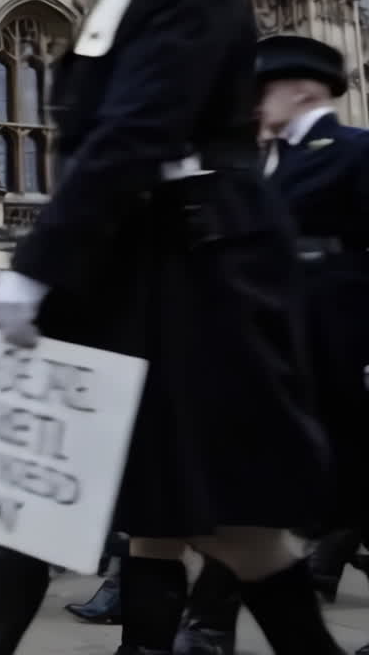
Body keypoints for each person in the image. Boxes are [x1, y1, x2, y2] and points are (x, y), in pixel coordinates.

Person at [0, 0, 340, 653]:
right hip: (129, 258)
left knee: (227, 524)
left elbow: (140, 123)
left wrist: (38, 262)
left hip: (187, 263)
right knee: (70, 500)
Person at [175, 35, 369, 655]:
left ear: (301, 89)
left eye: (261, 89)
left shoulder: (353, 150)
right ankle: (208, 626)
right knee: (253, 502)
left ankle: (210, 625)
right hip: (281, 355)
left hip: (339, 349)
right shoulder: (263, 165)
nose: (252, 104)